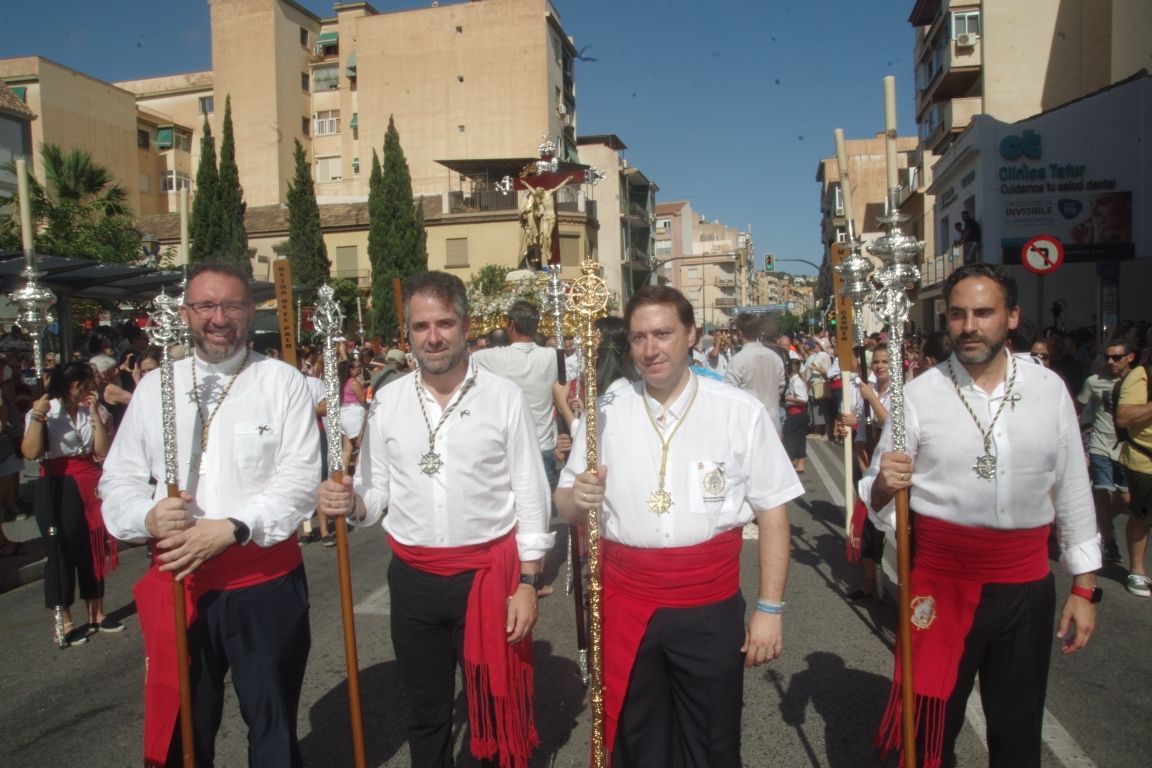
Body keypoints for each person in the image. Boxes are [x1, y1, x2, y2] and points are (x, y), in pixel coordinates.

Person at [861, 264, 1099, 768]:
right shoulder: (916, 396)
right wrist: (885, 481)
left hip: (1025, 585)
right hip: (940, 582)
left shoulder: (1048, 389)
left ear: (1011, 317)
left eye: (984, 313)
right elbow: (875, 496)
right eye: (958, 314)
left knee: (1017, 731)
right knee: (927, 729)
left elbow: (1073, 486)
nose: (969, 325)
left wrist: (1084, 586)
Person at [555, 285, 802, 767]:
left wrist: (770, 608)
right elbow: (565, 503)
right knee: (638, 738)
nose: (651, 349)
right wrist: (576, 499)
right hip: (625, 599)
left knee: (711, 740)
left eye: (663, 334)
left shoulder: (737, 410)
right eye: (639, 337)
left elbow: (773, 512)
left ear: (691, 335)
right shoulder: (604, 412)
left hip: (707, 603)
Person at [318, 271, 554, 768]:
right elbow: (374, 491)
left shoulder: (502, 397)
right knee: (425, 713)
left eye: (444, 323)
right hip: (414, 580)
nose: (434, 336)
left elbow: (531, 493)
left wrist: (529, 581)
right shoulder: (388, 402)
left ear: (465, 326)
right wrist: (351, 504)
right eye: (421, 325)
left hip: (487, 577)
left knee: (493, 704)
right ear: (408, 334)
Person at [100, 262, 320, 767]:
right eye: (205, 306)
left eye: (231, 306)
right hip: (182, 580)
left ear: (250, 311)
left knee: (272, 725)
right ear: (186, 314)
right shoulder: (157, 389)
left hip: (263, 583)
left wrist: (233, 528)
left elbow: (300, 481)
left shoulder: (282, 383)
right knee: (187, 726)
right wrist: (148, 516)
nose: (218, 318)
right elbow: (119, 481)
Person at [22, 362, 117, 645]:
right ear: (75, 384)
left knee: (91, 544)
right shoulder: (46, 410)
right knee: (61, 549)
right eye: (90, 383)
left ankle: (96, 612)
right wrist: (39, 415)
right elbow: (30, 452)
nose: (94, 388)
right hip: (57, 482)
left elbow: (101, 449)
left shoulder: (93, 410)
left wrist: (94, 415)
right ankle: (62, 618)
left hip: (88, 479)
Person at [473, 300, 567, 490]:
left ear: (512, 325)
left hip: (510, 448)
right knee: (542, 511)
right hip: (544, 446)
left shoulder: (489, 357)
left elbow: (462, 360)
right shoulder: (552, 356)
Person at [1077, 341, 1133, 564]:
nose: (1111, 362)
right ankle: (1109, 541)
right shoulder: (1093, 382)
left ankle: (1102, 521)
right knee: (1103, 492)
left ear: (1130, 357)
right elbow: (1077, 408)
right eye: (1108, 357)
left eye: (1117, 357)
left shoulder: (1139, 383)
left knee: (1127, 498)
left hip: (1127, 448)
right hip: (1100, 444)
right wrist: (1080, 442)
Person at [1115, 343, 1152, 597]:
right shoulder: (1141, 375)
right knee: (1142, 516)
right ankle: (1137, 570)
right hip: (1145, 459)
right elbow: (1124, 417)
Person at [725, 313, 786, 435]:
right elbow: (781, 387)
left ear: (740, 333)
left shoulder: (738, 360)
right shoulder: (775, 357)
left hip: (748, 426)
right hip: (772, 424)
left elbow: (728, 393)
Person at [781, 358, 809, 473]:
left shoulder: (797, 382)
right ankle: (799, 464)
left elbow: (804, 399)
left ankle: (789, 460)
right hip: (795, 413)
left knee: (788, 437)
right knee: (799, 439)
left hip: (797, 413)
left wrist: (787, 398)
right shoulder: (793, 381)